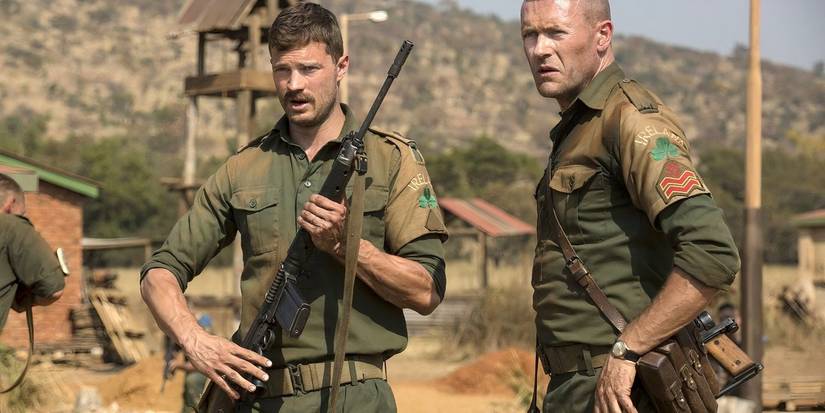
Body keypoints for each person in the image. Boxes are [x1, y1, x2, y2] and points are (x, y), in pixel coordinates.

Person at [139, 3, 447, 412]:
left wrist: (346, 246)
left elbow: (426, 289)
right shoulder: (243, 168)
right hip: (263, 398)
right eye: (281, 70)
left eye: (308, 69)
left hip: (356, 397)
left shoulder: (391, 159)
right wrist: (196, 341)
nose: (293, 84)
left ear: (341, 66)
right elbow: (158, 274)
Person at [520, 1, 741, 412]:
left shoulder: (632, 120)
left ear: (603, 35)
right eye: (529, 35)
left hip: (624, 386)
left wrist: (628, 349)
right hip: (576, 385)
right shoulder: (577, 129)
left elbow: (713, 252)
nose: (539, 49)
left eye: (555, 33)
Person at [0, 173, 65, 333]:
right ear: (11, 203)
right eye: (21, 214)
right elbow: (53, 289)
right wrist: (24, 299)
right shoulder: (12, 226)